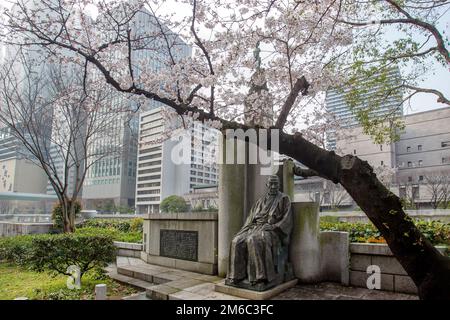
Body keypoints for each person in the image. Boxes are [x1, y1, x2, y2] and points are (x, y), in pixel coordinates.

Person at [227, 175, 292, 286]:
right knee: (236, 241)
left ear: (279, 184)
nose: (273, 186)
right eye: (271, 184)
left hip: (272, 230)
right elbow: (250, 218)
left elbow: (287, 219)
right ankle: (237, 276)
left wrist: (273, 226)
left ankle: (260, 277)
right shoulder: (260, 200)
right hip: (254, 228)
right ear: (267, 185)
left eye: (275, 183)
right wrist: (244, 230)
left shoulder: (284, 199)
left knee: (254, 240)